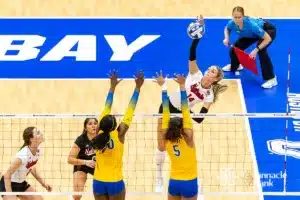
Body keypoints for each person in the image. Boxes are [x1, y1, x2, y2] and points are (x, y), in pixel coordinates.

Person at [154, 15, 228, 192]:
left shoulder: (209, 95)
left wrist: (186, 115)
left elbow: (201, 118)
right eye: (209, 69)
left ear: (215, 79)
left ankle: (196, 182)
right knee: (162, 144)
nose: (208, 72)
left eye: (212, 72)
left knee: (188, 145)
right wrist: (198, 33)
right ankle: (158, 177)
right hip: (166, 107)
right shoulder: (195, 74)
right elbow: (192, 52)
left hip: (183, 114)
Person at [92, 70, 144, 200]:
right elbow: (130, 110)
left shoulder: (96, 133)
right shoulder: (120, 133)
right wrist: (137, 88)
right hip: (115, 182)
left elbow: (107, 106)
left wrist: (112, 87)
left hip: (98, 181)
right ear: (115, 126)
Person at [154, 72, 199, 200]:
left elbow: (165, 111)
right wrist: (182, 86)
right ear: (182, 126)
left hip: (174, 182)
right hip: (189, 182)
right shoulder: (188, 138)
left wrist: (163, 87)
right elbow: (185, 110)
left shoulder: (166, 138)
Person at [222, 6, 277, 89]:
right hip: (252, 34)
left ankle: (272, 79)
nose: (237, 19)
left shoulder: (251, 25)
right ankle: (236, 65)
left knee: (262, 52)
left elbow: (267, 39)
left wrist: (256, 50)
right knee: (235, 49)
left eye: (239, 17)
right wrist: (226, 38)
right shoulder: (232, 22)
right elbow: (227, 28)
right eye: (235, 17)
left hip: (266, 30)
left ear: (243, 16)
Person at [0, 127, 52, 200]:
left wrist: (43, 184)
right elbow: (7, 175)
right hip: (8, 183)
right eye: (38, 133)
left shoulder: (38, 149)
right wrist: (9, 194)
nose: (41, 134)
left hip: (20, 183)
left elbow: (31, 167)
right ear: (31, 139)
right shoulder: (22, 156)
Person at [68, 118, 98, 200]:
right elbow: (70, 159)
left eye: (95, 123)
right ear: (85, 128)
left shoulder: (102, 138)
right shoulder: (81, 140)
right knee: (77, 195)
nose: (93, 126)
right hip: (81, 165)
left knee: (102, 193)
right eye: (90, 124)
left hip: (98, 166)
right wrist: (86, 162)